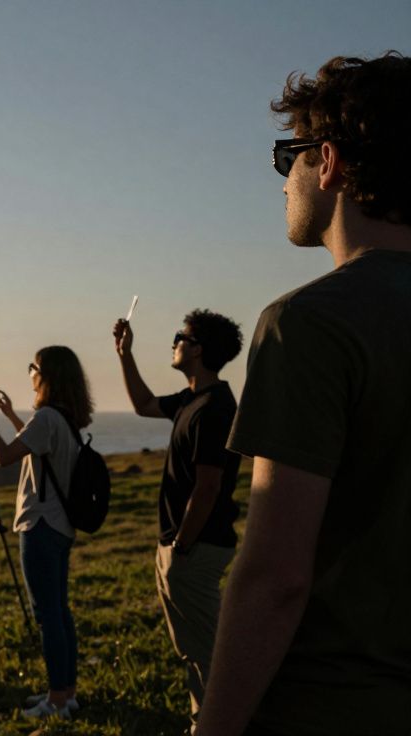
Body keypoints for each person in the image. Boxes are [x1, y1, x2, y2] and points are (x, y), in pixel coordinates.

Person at [197, 53, 411, 736]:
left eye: (284, 158)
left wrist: (215, 727)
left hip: (332, 702)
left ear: (328, 162)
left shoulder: (310, 324)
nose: (282, 183)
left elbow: (275, 577)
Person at [112, 309, 243, 722]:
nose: (174, 343)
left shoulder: (214, 407)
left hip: (195, 548)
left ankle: (218, 723)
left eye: (180, 337)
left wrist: (182, 545)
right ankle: (202, 723)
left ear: (198, 349)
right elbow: (144, 404)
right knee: (194, 651)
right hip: (180, 545)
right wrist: (124, 355)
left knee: (208, 655)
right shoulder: (192, 398)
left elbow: (208, 487)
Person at [0, 346, 93, 720]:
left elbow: (5, 456)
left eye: (33, 367)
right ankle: (66, 692)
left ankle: (55, 700)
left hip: (39, 524)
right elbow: (37, 445)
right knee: (59, 610)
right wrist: (9, 415)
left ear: (46, 375)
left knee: (47, 614)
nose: (30, 372)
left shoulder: (47, 416)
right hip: (61, 526)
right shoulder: (64, 418)